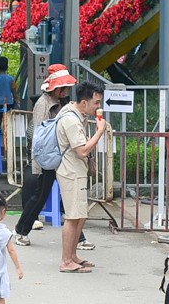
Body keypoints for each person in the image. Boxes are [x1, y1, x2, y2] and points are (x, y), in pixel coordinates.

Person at [14, 64, 78, 245]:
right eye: (64, 88)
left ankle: (79, 238)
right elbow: (41, 134)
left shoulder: (60, 102)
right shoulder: (43, 104)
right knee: (40, 196)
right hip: (48, 157)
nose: (66, 91)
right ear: (57, 88)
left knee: (66, 196)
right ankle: (21, 230)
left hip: (59, 155)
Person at [56, 81, 107, 273]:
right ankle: (66, 260)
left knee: (80, 215)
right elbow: (82, 150)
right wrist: (100, 132)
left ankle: (72, 255)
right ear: (84, 102)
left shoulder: (75, 113)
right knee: (72, 216)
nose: (98, 107)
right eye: (96, 102)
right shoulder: (70, 120)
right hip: (71, 171)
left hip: (75, 170)